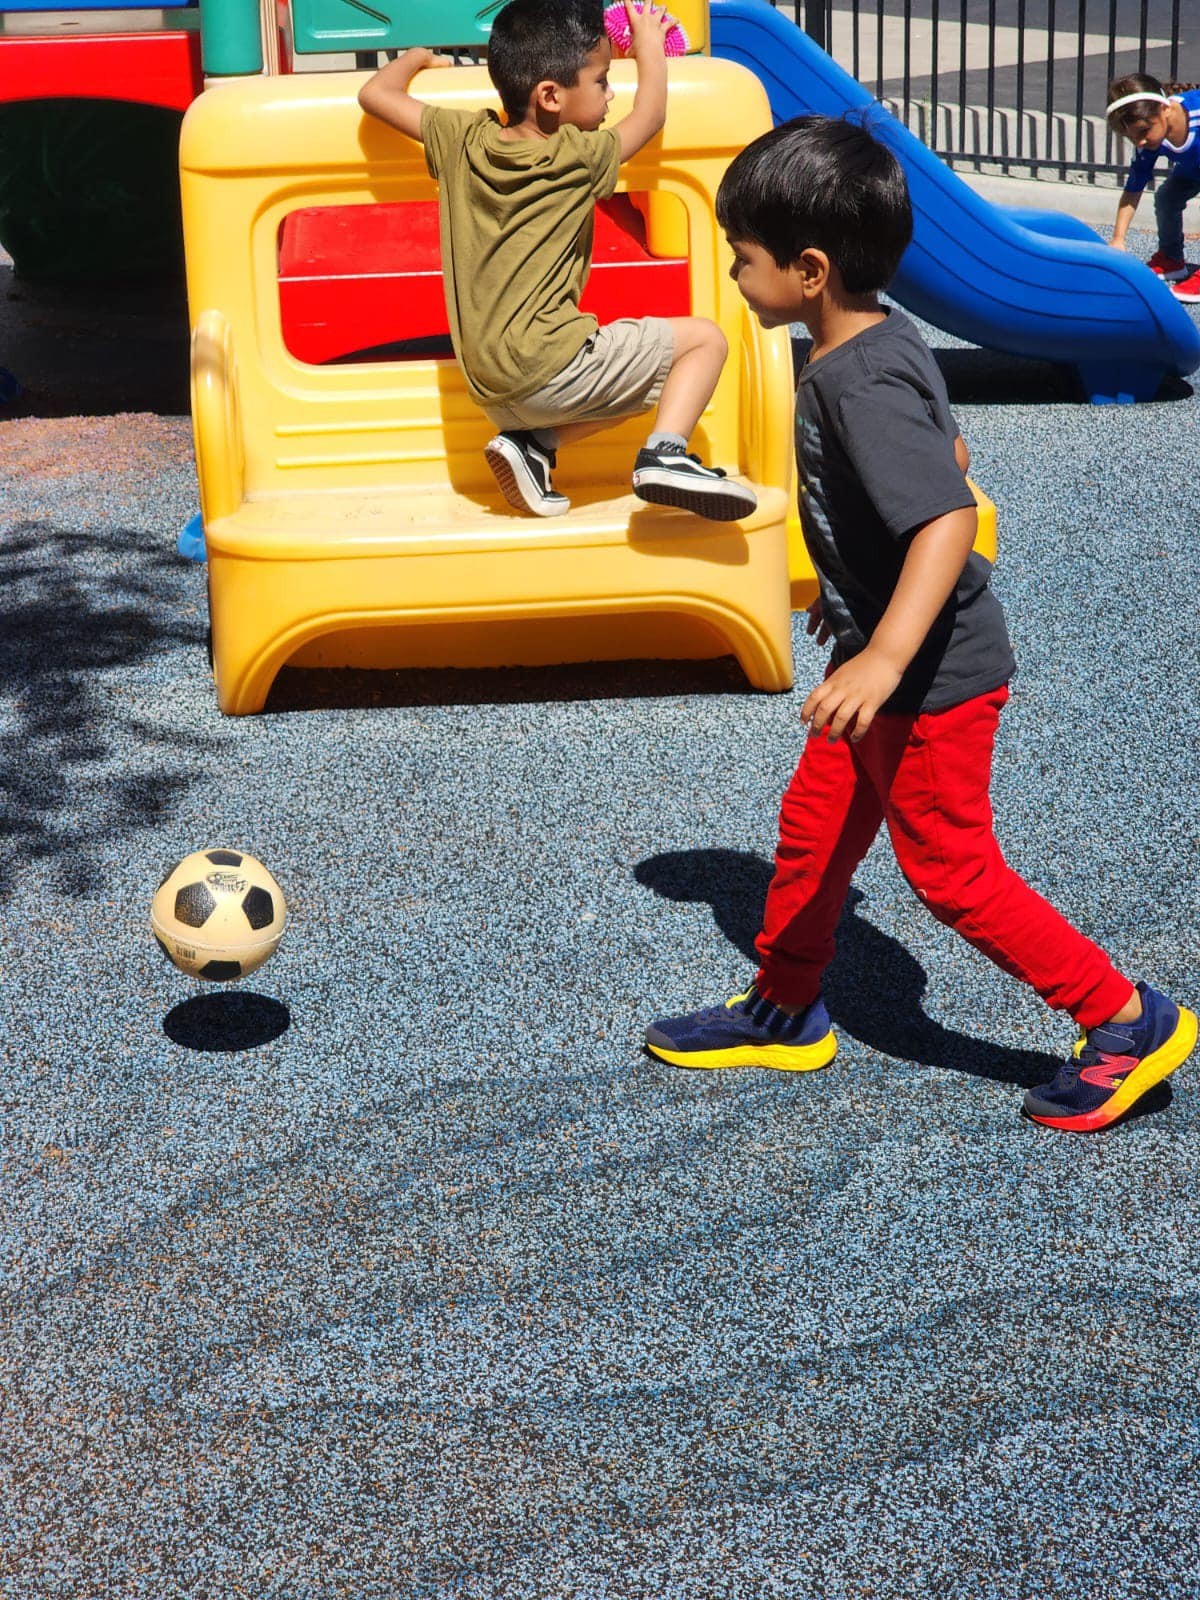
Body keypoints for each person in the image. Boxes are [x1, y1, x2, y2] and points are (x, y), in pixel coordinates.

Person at [644, 115, 1196, 1133]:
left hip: (930, 678)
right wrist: (857, 602)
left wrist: (888, 649)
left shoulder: (857, 379)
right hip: (881, 656)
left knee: (953, 872)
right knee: (813, 829)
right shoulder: (881, 337)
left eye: (744, 257)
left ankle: (1124, 1017)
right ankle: (785, 1003)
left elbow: (946, 514)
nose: (733, 273)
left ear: (809, 270)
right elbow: (952, 458)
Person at [356, 0, 756, 522]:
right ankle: (666, 455)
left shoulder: (461, 139)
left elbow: (375, 95)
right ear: (550, 96)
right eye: (602, 81)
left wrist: (418, 57)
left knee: (635, 380)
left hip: (490, 388)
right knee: (703, 342)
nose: (610, 94)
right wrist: (649, 47)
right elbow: (651, 116)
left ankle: (535, 445)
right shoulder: (575, 155)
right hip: (552, 366)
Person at [1106, 72, 1200, 303]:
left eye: (1143, 131)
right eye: (1130, 137)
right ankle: (1171, 258)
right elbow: (1133, 189)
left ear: (1164, 110)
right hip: (1194, 166)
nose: (1139, 141)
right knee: (1167, 198)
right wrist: (1118, 239)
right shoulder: (1147, 140)